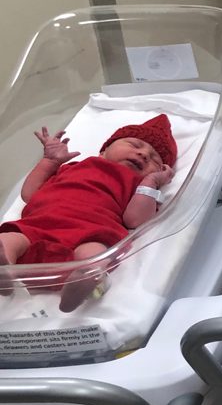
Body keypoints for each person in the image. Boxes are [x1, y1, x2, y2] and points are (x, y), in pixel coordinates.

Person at [0, 114, 176, 311]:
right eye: (135, 145)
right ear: (104, 149)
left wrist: (151, 182)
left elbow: (135, 220)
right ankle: (5, 269)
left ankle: (85, 278)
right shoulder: (74, 167)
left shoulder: (142, 187)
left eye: (154, 159)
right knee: (9, 239)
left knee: (94, 251)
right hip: (39, 224)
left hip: (92, 230)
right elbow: (30, 194)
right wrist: (50, 161)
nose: (143, 154)